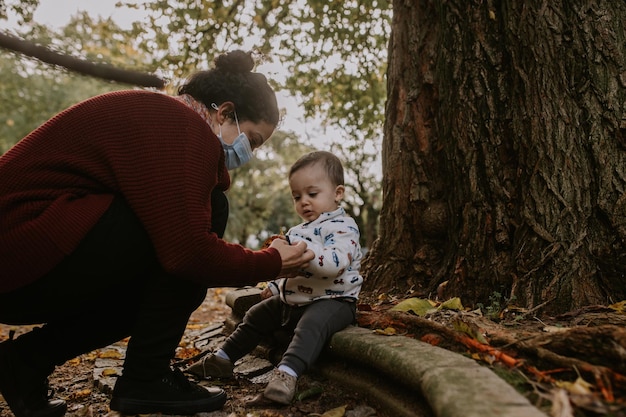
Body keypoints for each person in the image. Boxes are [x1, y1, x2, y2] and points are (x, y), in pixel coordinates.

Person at [0, 50, 314, 417]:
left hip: (22, 260)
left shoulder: (168, 120)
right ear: (225, 112)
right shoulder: (183, 125)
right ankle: (145, 377)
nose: (251, 154)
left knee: (164, 271)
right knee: (205, 224)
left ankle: (24, 363)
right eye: (254, 140)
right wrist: (272, 262)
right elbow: (188, 252)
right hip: (18, 248)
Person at [186, 150, 363, 405]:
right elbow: (286, 268)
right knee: (256, 314)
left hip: (334, 300)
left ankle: (286, 376)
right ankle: (222, 359)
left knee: (311, 326)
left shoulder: (343, 226)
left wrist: (305, 255)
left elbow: (336, 263)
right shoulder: (296, 231)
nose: (304, 202)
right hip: (295, 298)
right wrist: (274, 283)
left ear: (337, 193)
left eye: (312, 194)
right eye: (297, 196)